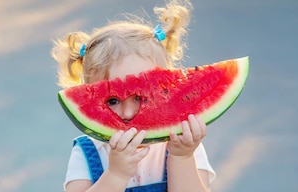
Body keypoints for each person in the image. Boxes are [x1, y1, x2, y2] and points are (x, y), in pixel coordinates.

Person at [51, 0, 215, 191]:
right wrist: (116, 174)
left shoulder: (185, 144)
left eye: (140, 97)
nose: (128, 113)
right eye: (112, 100)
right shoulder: (87, 152)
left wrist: (181, 157)